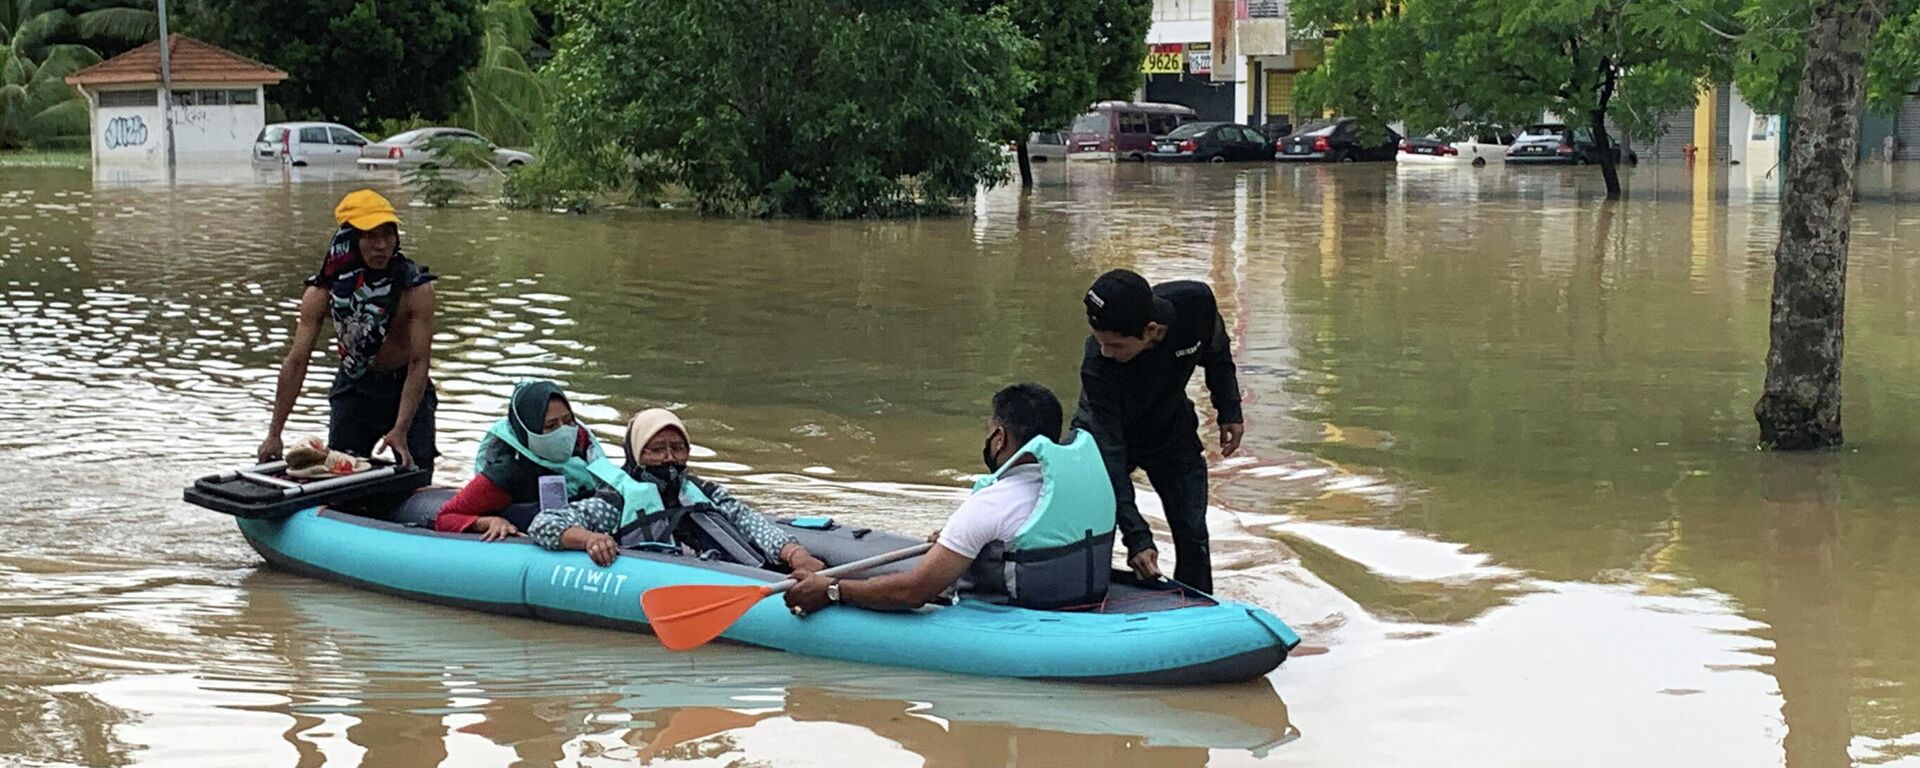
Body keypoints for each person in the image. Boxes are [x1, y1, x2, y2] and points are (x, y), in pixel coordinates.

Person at [784, 383, 1115, 617]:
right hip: (1077, 598)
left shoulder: (990, 504)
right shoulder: (1088, 486)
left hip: (1010, 616)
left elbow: (913, 593)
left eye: (990, 430)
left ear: (999, 438)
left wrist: (832, 590)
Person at [1071, 268, 1243, 594]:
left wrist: (1229, 409)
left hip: (1169, 431)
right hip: (1105, 435)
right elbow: (1110, 452)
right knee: (1087, 523)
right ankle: (1086, 596)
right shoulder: (1098, 365)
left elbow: (1217, 351)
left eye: (1116, 345)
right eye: (1099, 341)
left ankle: (1199, 607)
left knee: (1193, 533)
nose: (1105, 352)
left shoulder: (1195, 305)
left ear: (1150, 330)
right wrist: (1137, 537)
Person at [256, 189, 438, 478]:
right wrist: (274, 433)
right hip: (355, 386)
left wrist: (401, 427)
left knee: (416, 473)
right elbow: (296, 361)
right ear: (351, 240)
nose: (381, 246)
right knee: (342, 474)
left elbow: (419, 362)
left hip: (405, 387)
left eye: (388, 235)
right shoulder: (321, 293)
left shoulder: (415, 289)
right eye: (370, 237)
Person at [527, 408, 827, 573]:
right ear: (635, 454)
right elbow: (545, 524)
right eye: (656, 450)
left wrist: (795, 553)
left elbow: (748, 521)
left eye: (677, 448)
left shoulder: (701, 490)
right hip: (665, 576)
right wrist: (591, 539)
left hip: (725, 570)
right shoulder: (615, 502)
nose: (669, 458)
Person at [435, 380, 603, 540]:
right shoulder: (507, 472)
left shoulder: (582, 444)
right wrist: (488, 522)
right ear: (528, 429)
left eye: (568, 421)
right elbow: (445, 517)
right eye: (550, 426)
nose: (564, 432)